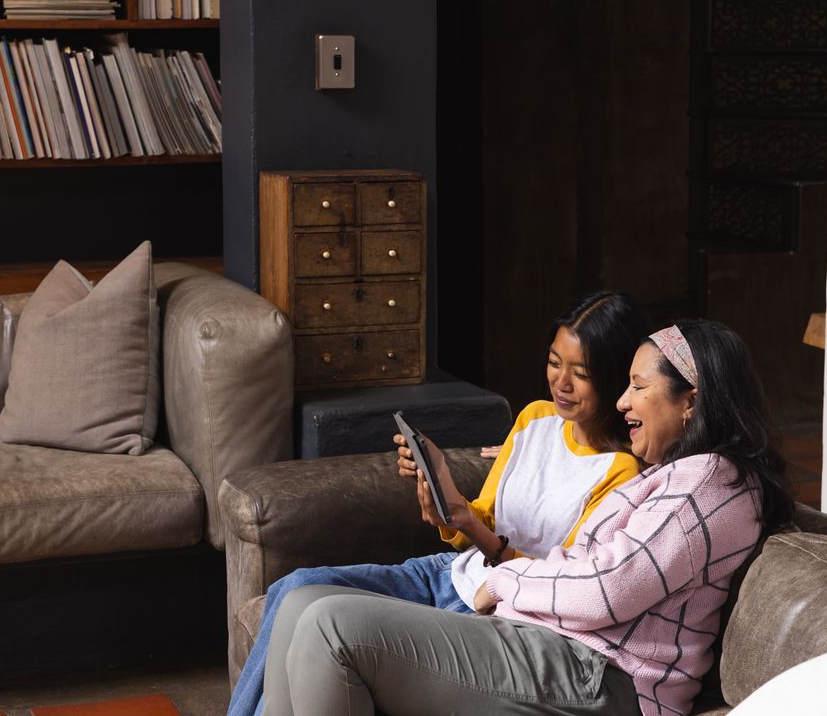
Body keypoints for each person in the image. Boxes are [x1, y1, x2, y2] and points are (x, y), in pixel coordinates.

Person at [259, 320, 794, 716]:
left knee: (332, 626)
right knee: (304, 601)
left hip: (606, 679)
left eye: (638, 386)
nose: (624, 402)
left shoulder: (708, 483)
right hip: (557, 649)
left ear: (691, 404)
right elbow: (595, 567)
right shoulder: (680, 477)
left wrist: (506, 578)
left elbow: (609, 586)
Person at [225, 291, 653, 716]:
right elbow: (486, 515)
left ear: (615, 378)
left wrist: (469, 523)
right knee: (294, 587)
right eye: (555, 362)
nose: (561, 382)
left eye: (581, 372)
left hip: (498, 608)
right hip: (448, 574)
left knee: (324, 623)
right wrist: (447, 497)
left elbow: (555, 585)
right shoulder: (534, 419)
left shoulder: (618, 473)